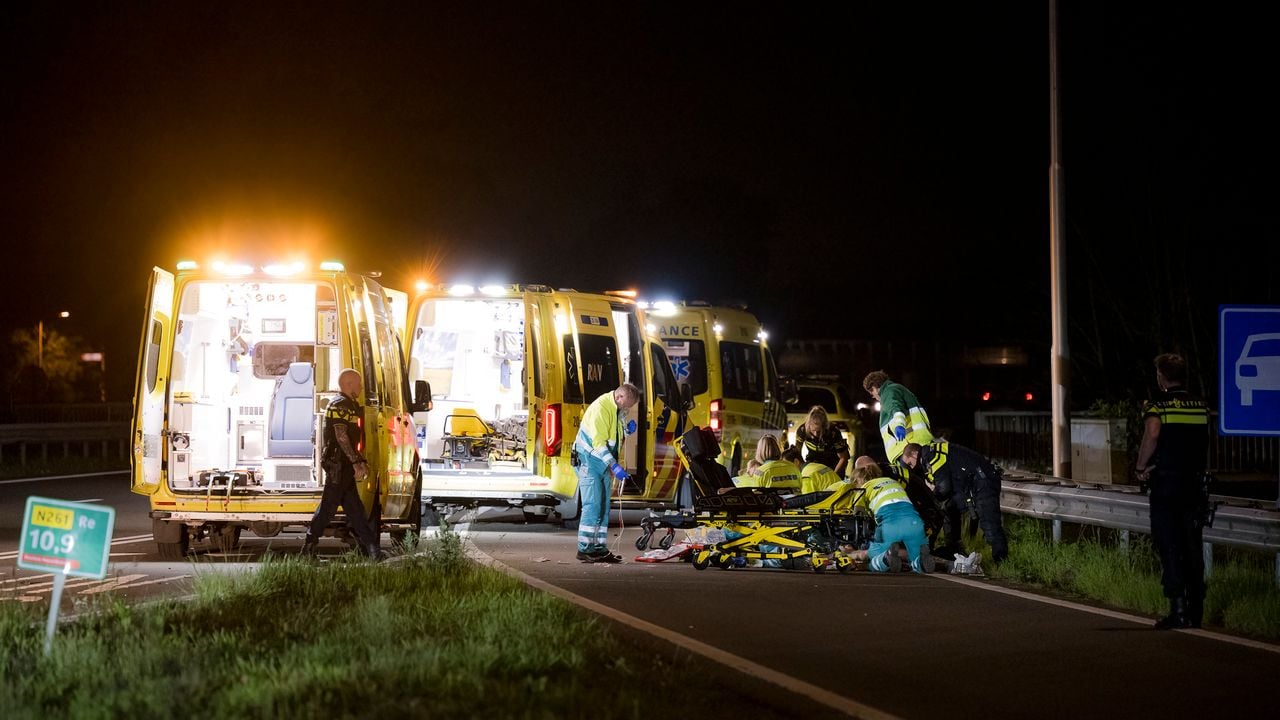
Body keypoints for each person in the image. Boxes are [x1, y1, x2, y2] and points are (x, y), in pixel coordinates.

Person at [1136, 353, 1210, 629]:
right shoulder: (1200, 405)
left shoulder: (1157, 405)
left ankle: (1178, 608)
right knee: (1192, 545)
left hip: (1166, 483)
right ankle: (1196, 609)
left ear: (1161, 376)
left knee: (1169, 545)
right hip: (1194, 484)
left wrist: (1141, 466)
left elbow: (1153, 433)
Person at [302, 369, 383, 560]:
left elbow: (352, 438)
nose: (361, 387)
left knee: (356, 510)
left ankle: (373, 550)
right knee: (329, 508)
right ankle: (308, 546)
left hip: (343, 465)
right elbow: (341, 435)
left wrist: (359, 459)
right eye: (359, 384)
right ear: (349, 384)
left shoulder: (348, 405)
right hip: (338, 465)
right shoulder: (339, 405)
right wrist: (355, 461)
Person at [900, 440, 1007, 563]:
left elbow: (944, 487)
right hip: (975, 481)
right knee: (949, 508)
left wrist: (932, 498)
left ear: (914, 453)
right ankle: (954, 549)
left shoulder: (931, 455)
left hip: (983, 481)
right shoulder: (930, 454)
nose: (911, 467)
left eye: (910, 463)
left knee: (989, 523)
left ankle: (1000, 560)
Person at [573, 383, 640, 563]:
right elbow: (598, 442)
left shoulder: (616, 408)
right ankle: (585, 549)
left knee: (603, 507)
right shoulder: (602, 408)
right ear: (619, 397)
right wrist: (614, 466)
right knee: (593, 505)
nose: (627, 409)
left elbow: (614, 432)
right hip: (589, 459)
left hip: (600, 462)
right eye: (627, 405)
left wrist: (626, 429)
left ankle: (599, 549)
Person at [846, 460, 933, 573]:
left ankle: (884, 560)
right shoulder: (892, 481)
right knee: (912, 553)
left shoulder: (863, 489)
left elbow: (857, 514)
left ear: (858, 480)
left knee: (872, 554)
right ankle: (920, 563)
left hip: (889, 522)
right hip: (913, 520)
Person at [862, 371, 933, 465]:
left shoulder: (888, 392)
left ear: (874, 387)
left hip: (909, 449)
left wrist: (899, 425)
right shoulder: (896, 389)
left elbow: (895, 408)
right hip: (916, 446)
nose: (873, 396)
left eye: (871, 392)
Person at [791, 406, 850, 477]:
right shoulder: (802, 430)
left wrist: (834, 476)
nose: (816, 434)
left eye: (819, 431)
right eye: (813, 430)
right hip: (813, 461)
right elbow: (797, 454)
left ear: (825, 427)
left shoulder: (833, 432)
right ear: (809, 425)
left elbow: (843, 458)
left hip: (833, 462)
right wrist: (801, 471)